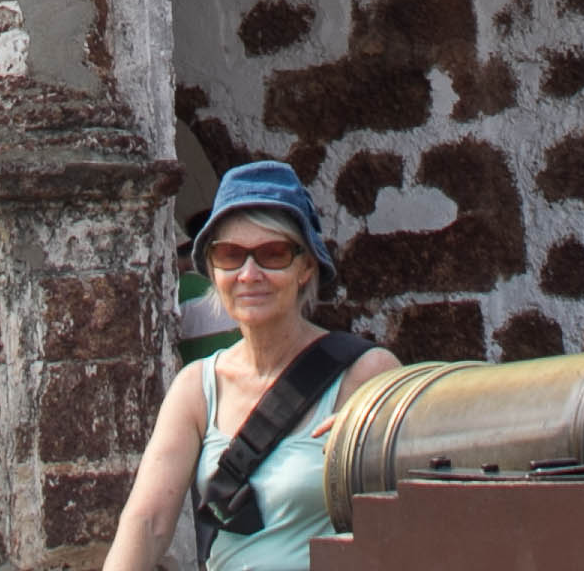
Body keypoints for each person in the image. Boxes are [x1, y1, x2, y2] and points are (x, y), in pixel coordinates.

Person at [105, 162, 401, 571]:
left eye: (272, 254)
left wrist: (373, 435)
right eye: (229, 255)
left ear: (305, 267)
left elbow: (414, 513)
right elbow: (147, 522)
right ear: (212, 270)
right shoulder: (197, 387)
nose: (248, 274)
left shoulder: (364, 375)